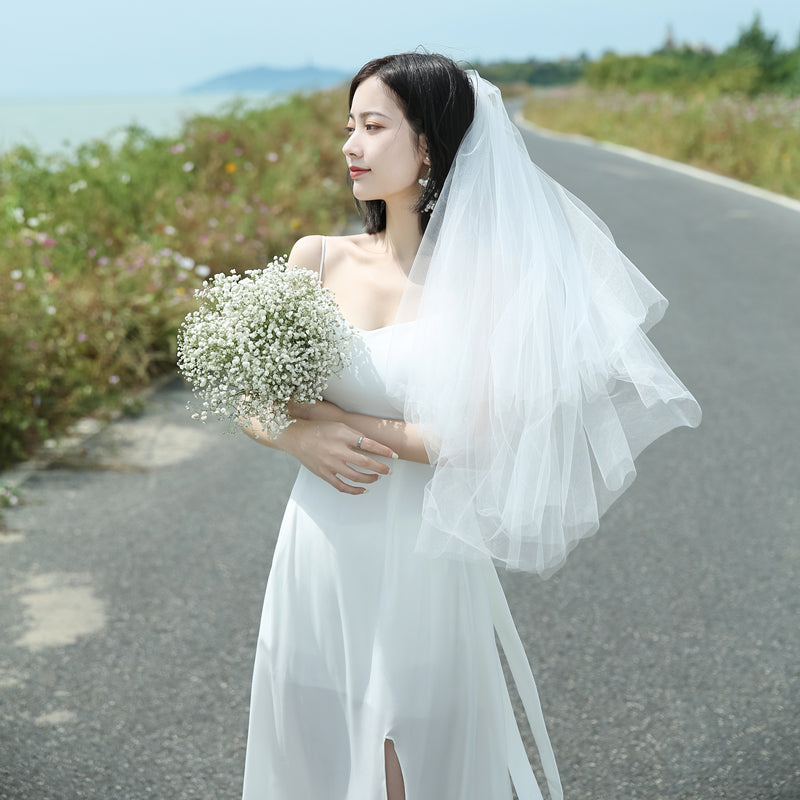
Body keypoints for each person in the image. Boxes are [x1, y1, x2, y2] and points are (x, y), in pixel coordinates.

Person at [239, 53, 701, 800]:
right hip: (320, 544)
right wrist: (296, 436)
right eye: (349, 126)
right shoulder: (317, 259)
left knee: (403, 764)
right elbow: (253, 395)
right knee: (314, 753)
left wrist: (340, 421)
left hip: (422, 555)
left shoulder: (485, 280)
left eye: (374, 126)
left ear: (428, 144)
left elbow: (468, 441)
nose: (351, 145)